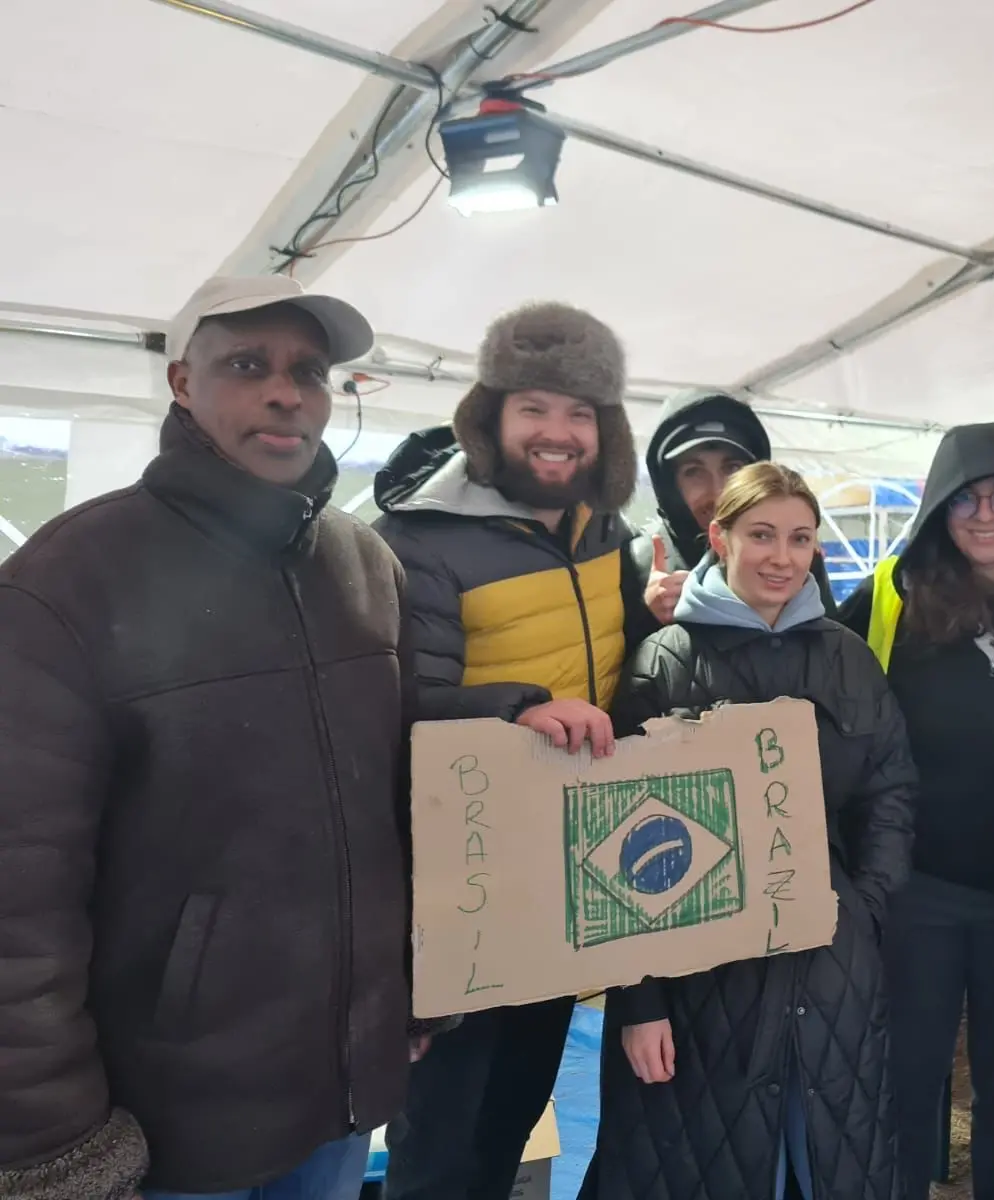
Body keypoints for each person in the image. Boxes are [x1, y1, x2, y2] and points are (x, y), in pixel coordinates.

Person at [0, 277, 415, 1200]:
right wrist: (54, 1143)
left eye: (310, 371)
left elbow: (400, 783)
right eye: (248, 365)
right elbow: (17, 892)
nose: (286, 393)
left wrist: (513, 714)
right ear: (183, 383)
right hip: (172, 1125)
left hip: (342, 1099)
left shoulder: (366, 564)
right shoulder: (67, 581)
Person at [580, 462, 917, 1200]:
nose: (781, 557)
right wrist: (640, 1002)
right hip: (699, 982)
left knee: (828, 1157)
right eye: (761, 535)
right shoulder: (666, 659)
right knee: (701, 1161)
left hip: (831, 967)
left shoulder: (847, 658)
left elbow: (890, 790)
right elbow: (615, 836)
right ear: (719, 538)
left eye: (800, 538)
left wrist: (863, 907)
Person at [373, 302, 645, 1200]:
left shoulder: (604, 532)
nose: (557, 433)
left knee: (515, 1109)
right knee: (441, 1135)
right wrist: (519, 708)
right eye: (534, 407)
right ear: (490, 417)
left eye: (579, 413)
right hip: (461, 879)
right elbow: (393, 705)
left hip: (568, 871)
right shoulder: (421, 538)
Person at [836, 423, 994, 1200]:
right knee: (905, 1076)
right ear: (939, 508)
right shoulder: (892, 591)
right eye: (965, 498)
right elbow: (809, 662)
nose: (985, 514)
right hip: (921, 889)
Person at [632, 388, 835, 624]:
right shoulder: (637, 560)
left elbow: (831, 638)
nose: (718, 492)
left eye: (732, 469)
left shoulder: (796, 557)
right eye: (694, 472)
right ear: (669, 484)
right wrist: (647, 614)